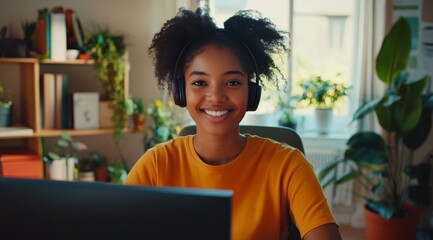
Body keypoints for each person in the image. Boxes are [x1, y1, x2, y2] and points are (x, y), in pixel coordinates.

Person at [124, 8, 342, 240]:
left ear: (252, 92)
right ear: (180, 91)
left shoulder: (289, 166)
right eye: (199, 82)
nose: (216, 96)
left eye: (232, 82)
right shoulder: (156, 165)